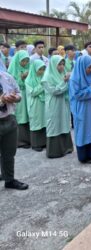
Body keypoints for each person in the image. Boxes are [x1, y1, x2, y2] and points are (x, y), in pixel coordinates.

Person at [0, 61, 29, 190]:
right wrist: (1, 100)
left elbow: (19, 93)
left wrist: (15, 97)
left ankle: (9, 180)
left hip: (9, 119)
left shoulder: (7, 77)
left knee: (9, 152)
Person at [69, 55, 91, 164]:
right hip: (81, 109)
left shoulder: (89, 76)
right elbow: (77, 95)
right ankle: (84, 157)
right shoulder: (74, 79)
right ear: (82, 67)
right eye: (89, 68)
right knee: (83, 130)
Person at [42, 55, 73, 158]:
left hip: (63, 103)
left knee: (63, 122)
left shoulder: (63, 74)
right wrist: (64, 82)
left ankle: (66, 148)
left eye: (63, 64)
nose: (62, 66)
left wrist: (67, 81)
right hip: (54, 105)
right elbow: (54, 91)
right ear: (53, 65)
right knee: (54, 125)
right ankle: (54, 151)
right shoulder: (46, 77)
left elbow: (69, 87)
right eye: (59, 64)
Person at [7, 50, 31, 148]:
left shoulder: (29, 68)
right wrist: (21, 78)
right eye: (23, 61)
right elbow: (11, 85)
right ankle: (21, 141)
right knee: (21, 117)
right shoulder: (12, 70)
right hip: (19, 97)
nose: (25, 63)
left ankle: (29, 139)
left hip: (28, 95)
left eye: (26, 61)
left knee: (28, 116)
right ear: (18, 60)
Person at [24, 60, 46, 152]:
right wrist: (42, 85)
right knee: (36, 123)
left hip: (43, 103)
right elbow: (33, 92)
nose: (41, 71)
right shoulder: (28, 80)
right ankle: (36, 144)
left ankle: (44, 142)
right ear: (34, 69)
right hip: (35, 104)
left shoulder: (43, 77)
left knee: (43, 122)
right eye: (39, 69)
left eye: (43, 69)